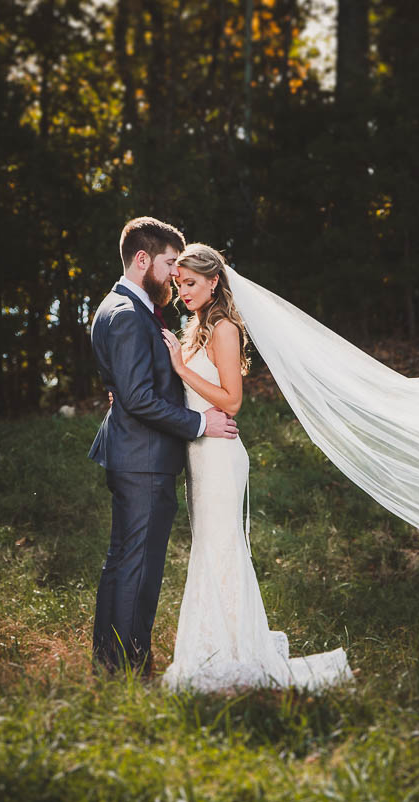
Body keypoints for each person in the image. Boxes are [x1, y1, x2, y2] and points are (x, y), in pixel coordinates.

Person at [157, 244, 354, 693]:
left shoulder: (223, 328)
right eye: (179, 284)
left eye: (191, 283)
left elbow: (231, 400)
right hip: (200, 454)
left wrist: (180, 370)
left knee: (221, 548)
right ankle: (219, 644)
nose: (183, 291)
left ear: (213, 282)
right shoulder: (195, 327)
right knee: (210, 548)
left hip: (221, 455)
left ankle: (233, 652)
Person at [88, 218, 239, 679]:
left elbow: (131, 385)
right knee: (139, 569)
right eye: (170, 262)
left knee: (122, 563)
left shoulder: (119, 308)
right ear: (142, 260)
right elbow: (137, 397)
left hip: (134, 455)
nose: (175, 274)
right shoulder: (129, 314)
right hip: (145, 460)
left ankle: (110, 664)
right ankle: (130, 669)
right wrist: (198, 422)